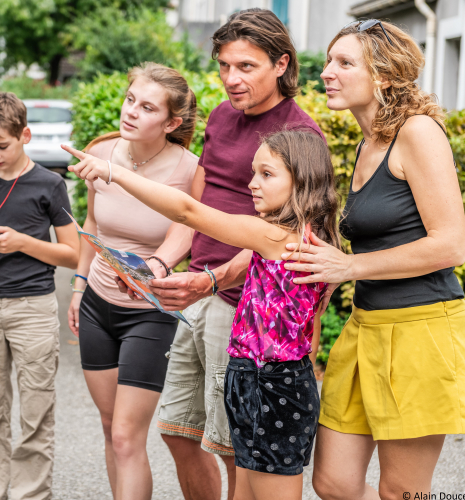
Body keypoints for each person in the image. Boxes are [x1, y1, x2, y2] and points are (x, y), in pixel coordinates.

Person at [111, 9, 324, 500]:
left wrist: (213, 280)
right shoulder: (224, 116)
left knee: (234, 449)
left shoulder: (300, 135)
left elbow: (286, 240)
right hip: (200, 295)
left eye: (246, 66)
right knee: (178, 430)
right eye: (225, 66)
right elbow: (197, 208)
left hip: (242, 310)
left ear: (281, 64)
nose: (231, 79)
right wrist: (163, 265)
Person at [65, 127, 339, 500]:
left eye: (267, 174)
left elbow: (187, 210)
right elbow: (311, 329)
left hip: (271, 385)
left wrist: (113, 172)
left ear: (302, 181)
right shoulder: (301, 236)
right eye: (254, 172)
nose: (252, 184)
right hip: (260, 379)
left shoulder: (279, 239)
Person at [277, 21, 465, 500]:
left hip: (419, 332)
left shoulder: (418, 133)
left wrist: (349, 268)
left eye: (345, 63)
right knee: (333, 482)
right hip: (364, 328)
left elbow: (451, 245)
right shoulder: (370, 143)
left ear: (384, 75)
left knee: (404, 491)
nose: (327, 72)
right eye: (329, 61)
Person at [66, 62, 199, 500]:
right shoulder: (101, 151)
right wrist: (79, 286)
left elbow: (192, 228)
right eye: (130, 100)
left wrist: (158, 266)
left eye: (146, 107)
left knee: (127, 436)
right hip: (97, 305)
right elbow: (91, 223)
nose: (131, 112)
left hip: (150, 313)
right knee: (109, 429)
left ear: (172, 122)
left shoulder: (189, 169)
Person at [0, 92, 80, 500]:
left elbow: (72, 253)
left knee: (35, 412)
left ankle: (31, 494)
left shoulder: (50, 184)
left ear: (25, 135)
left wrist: (23, 243)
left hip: (33, 307)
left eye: (3, 146)